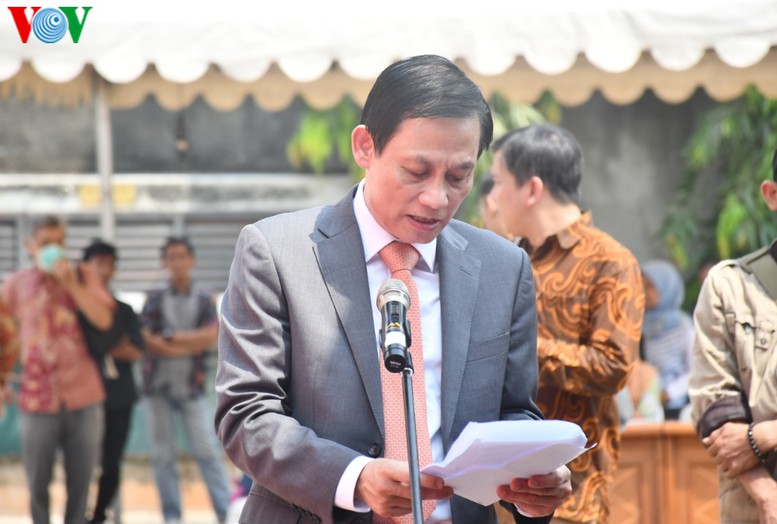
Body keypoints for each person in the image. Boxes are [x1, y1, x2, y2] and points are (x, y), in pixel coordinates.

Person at [215, 54, 571, 524]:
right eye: (416, 171)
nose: (437, 198)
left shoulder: (502, 268)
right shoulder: (278, 252)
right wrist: (354, 478)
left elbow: (515, 413)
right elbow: (246, 414)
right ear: (365, 147)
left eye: (459, 176)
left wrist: (532, 482)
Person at [489, 123, 645, 524]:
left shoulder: (610, 260)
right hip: (493, 486)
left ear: (532, 189)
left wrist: (518, 349)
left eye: (498, 183)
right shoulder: (507, 259)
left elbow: (613, 366)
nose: (493, 197)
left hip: (571, 495)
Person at [690, 128, 777, 523]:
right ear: (772, 194)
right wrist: (771, 503)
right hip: (755, 512)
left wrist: (767, 434)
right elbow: (716, 411)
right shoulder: (730, 287)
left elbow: (745, 437)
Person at [0, 215, 114, 524]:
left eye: (59, 242)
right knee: (37, 482)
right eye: (46, 243)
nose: (54, 248)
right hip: (36, 398)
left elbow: (104, 320)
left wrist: (70, 283)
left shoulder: (84, 275)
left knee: (81, 483)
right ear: (30, 246)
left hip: (84, 395)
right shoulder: (15, 285)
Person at [139, 236, 230, 524]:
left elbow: (211, 335)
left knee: (207, 451)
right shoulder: (154, 298)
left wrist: (168, 338)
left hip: (192, 387)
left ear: (191, 260)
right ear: (164, 263)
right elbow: (146, 340)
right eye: (171, 257)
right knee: (162, 456)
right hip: (157, 388)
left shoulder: (204, 297)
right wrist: (189, 344)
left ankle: (227, 514)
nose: (177, 263)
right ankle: (172, 516)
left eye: (181, 256)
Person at [79, 239, 145, 524]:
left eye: (110, 264)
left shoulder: (124, 310)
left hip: (119, 397)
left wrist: (101, 343)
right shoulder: (77, 308)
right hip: (84, 398)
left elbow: (135, 349)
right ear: (86, 267)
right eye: (99, 264)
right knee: (79, 461)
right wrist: (112, 341)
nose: (104, 270)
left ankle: (99, 515)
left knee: (111, 462)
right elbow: (85, 346)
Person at [640, 259, 694, 419]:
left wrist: (669, 393)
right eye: (641, 286)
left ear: (666, 288)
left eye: (649, 286)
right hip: (647, 408)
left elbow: (696, 372)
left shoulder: (684, 327)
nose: (643, 293)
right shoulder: (641, 327)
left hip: (680, 409)